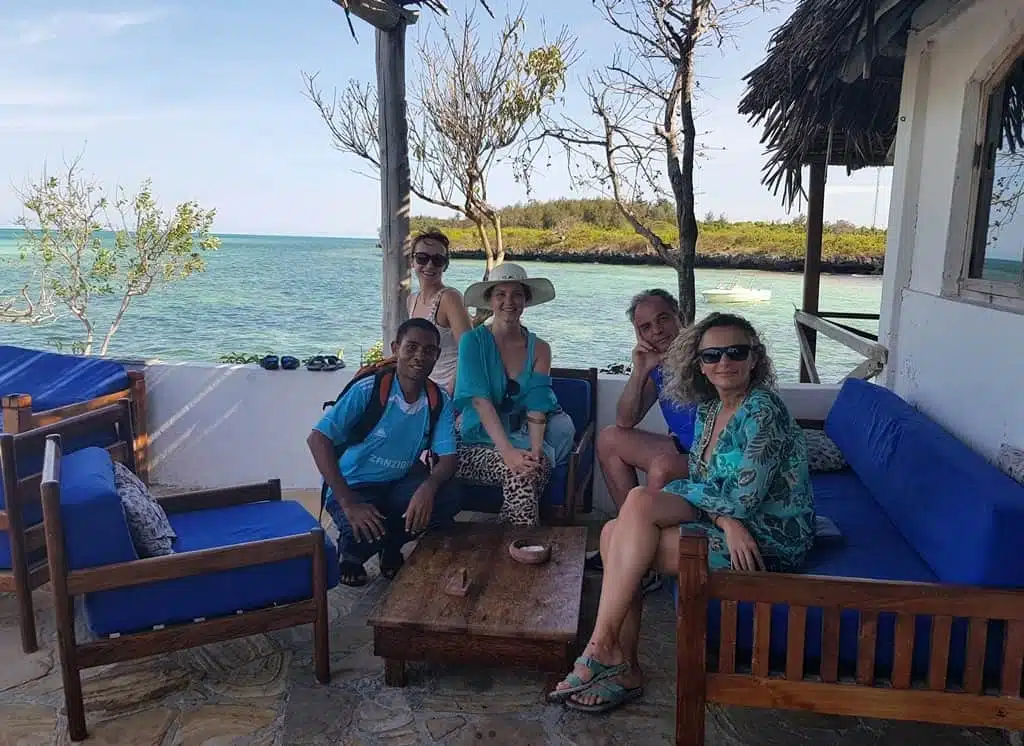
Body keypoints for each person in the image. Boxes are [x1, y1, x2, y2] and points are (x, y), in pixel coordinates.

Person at [549, 312, 815, 714]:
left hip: (766, 538)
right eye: (712, 356)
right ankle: (610, 653)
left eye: (735, 352)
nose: (723, 362)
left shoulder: (763, 411)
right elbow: (708, 482)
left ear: (754, 359)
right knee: (627, 516)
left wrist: (728, 515)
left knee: (617, 543)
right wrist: (724, 519)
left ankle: (612, 659)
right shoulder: (710, 409)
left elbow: (742, 500)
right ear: (700, 365)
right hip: (729, 524)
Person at [307, 317, 462, 587]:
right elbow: (317, 439)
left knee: (448, 496)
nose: (419, 356)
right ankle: (352, 555)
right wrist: (348, 502)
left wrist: (428, 487)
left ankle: (391, 547)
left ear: (436, 356)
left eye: (428, 350)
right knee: (365, 531)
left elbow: (448, 458)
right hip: (354, 484)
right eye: (411, 347)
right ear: (395, 348)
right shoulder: (369, 390)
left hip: (398, 481)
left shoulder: (438, 400)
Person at [590, 289, 698, 593]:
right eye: (645, 327)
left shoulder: (705, 354)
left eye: (663, 319)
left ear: (680, 316)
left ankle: (640, 557)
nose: (657, 330)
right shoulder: (658, 365)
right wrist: (640, 371)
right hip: (682, 448)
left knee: (662, 467)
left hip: (711, 455)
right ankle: (630, 543)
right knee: (610, 438)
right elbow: (626, 420)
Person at [453, 263, 576, 526]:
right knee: (519, 475)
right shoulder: (472, 342)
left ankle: (509, 544)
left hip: (523, 438)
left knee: (532, 469)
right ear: (489, 300)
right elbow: (480, 401)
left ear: (526, 300)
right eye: (500, 294)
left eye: (517, 294)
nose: (509, 301)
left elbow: (537, 405)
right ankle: (521, 547)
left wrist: (534, 451)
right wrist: (508, 452)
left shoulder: (541, 349)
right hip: (473, 443)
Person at [406, 228, 473, 395]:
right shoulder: (411, 300)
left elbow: (469, 349)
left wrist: (452, 388)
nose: (429, 265)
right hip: (425, 386)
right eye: (422, 258)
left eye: (437, 260)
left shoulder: (450, 298)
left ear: (445, 265)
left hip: (451, 388)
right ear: (412, 262)